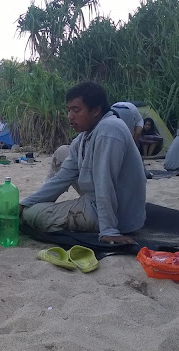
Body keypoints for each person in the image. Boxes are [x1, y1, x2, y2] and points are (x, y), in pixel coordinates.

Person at [20, 81, 146, 245]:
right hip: (96, 199)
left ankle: (37, 211)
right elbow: (62, 178)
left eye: (76, 110)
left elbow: (104, 182)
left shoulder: (109, 130)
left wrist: (108, 230)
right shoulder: (83, 137)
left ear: (95, 110)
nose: (70, 116)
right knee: (62, 153)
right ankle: (35, 206)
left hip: (117, 216)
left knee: (32, 215)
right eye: (69, 110)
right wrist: (23, 204)